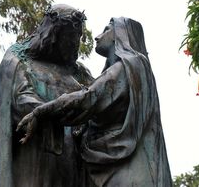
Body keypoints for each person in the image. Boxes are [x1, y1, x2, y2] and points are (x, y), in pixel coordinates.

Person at [18, 17, 173, 186]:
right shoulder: (135, 68)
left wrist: (40, 111)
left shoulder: (130, 64)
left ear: (119, 35)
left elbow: (88, 98)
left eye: (106, 30)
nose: (97, 36)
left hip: (128, 176)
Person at [0, 4, 93, 187]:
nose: (75, 44)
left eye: (78, 38)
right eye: (70, 38)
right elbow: (21, 100)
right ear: (52, 36)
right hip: (39, 159)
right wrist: (56, 110)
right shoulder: (20, 62)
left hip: (76, 160)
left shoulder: (80, 72)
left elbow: (98, 99)